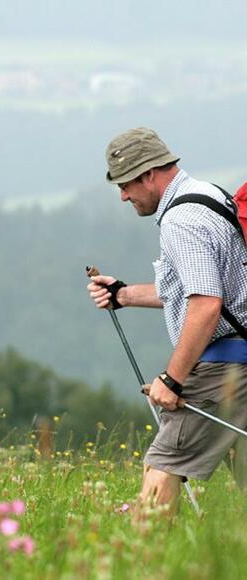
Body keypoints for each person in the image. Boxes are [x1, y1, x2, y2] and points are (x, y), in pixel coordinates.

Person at [87, 127, 247, 514]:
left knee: (162, 468)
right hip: (242, 362)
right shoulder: (211, 196)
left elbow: (206, 305)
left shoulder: (180, 221)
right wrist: (123, 294)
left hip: (221, 371)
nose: (123, 196)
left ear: (148, 175)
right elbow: (202, 288)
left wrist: (172, 379)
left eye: (125, 185)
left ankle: (148, 550)